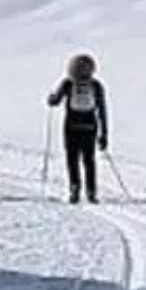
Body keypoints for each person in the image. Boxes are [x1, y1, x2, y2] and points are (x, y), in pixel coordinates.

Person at [47, 53, 108, 204]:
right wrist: (104, 134)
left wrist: (51, 98)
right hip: (90, 127)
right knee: (89, 160)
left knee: (72, 159)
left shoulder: (68, 84)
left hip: (71, 127)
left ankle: (74, 190)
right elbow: (102, 111)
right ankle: (91, 192)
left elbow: (55, 101)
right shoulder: (96, 86)